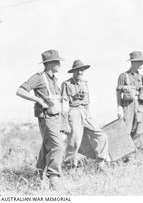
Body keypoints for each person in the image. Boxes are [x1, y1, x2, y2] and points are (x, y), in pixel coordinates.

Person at [16, 49, 65, 190]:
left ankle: (37, 176)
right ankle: (54, 177)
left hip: (55, 117)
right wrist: (38, 99)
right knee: (57, 146)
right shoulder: (38, 77)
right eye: (57, 62)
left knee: (46, 146)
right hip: (47, 118)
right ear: (49, 64)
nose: (59, 64)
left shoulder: (54, 80)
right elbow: (20, 91)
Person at [61, 60, 110, 168]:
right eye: (77, 70)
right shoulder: (67, 84)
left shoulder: (85, 83)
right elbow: (64, 104)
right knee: (74, 142)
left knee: (101, 136)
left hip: (85, 112)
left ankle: (101, 162)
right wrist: (65, 122)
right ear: (73, 71)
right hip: (73, 112)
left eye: (82, 70)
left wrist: (89, 116)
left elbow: (87, 102)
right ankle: (69, 167)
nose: (80, 72)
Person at [116, 51, 143, 147]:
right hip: (128, 106)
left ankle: (132, 156)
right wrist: (119, 108)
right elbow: (118, 92)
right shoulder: (123, 76)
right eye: (139, 61)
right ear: (133, 62)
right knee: (126, 130)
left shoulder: (141, 77)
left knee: (139, 130)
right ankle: (123, 156)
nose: (142, 63)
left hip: (140, 106)